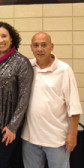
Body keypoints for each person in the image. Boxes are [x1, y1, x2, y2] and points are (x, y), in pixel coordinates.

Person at [21, 32, 82, 168]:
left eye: (44, 45)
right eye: (36, 45)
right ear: (31, 47)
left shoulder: (64, 70)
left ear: (51, 46)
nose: (40, 49)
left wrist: (73, 134)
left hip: (57, 140)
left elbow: (73, 105)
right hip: (30, 139)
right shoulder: (27, 68)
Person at [0, 21, 33, 168]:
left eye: (4, 36)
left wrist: (13, 126)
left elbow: (24, 97)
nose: (0, 40)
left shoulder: (21, 62)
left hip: (7, 122)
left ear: (11, 38)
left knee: (0, 162)